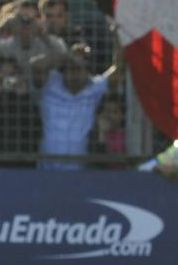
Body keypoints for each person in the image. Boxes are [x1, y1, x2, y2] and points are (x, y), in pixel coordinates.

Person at [36, 40, 124, 169]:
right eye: (71, 68)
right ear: (64, 69)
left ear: (87, 71)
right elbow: (36, 66)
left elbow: (119, 67)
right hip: (47, 168)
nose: (74, 73)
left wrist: (116, 36)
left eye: (79, 68)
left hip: (80, 170)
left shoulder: (95, 87)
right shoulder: (51, 83)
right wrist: (67, 55)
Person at [0, 0, 67, 76]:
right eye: (20, 20)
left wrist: (42, 34)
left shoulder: (48, 45)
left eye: (30, 20)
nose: (25, 25)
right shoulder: (5, 47)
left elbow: (63, 57)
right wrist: (1, 27)